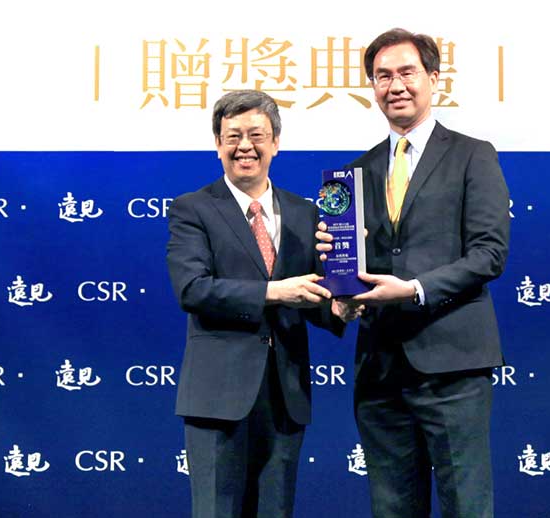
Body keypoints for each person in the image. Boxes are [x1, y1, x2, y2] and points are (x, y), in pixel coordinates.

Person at [317, 28, 510, 517]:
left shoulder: (473, 154)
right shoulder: (355, 173)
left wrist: (415, 289)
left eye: (407, 72)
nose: (395, 85)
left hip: (453, 366)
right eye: (383, 76)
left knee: (466, 506)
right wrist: (339, 283)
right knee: (393, 508)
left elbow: (489, 253)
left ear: (434, 79)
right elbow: (354, 268)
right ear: (372, 87)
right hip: (380, 369)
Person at [167, 90, 349, 518]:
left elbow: (313, 294)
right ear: (218, 144)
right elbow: (192, 289)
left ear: (276, 143)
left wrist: (339, 308)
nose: (245, 146)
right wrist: (274, 292)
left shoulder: (305, 212)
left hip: (285, 395)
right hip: (217, 396)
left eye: (256, 135)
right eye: (233, 136)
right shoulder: (193, 209)